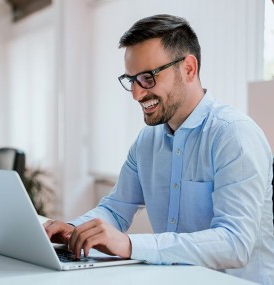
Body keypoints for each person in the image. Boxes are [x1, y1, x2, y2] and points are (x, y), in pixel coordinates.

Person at [44, 14, 274, 284]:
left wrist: (129, 245)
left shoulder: (234, 134)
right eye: (131, 80)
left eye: (148, 78)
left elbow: (235, 243)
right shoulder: (147, 141)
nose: (137, 94)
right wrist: (74, 229)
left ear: (188, 68)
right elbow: (117, 208)